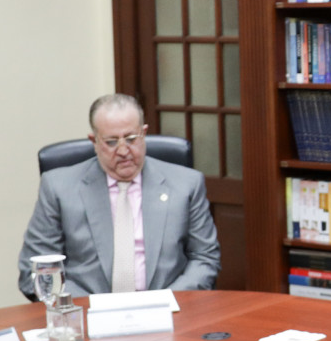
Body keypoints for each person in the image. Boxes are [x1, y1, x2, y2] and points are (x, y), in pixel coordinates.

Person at [17, 94, 219, 299]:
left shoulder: (186, 185)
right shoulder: (58, 188)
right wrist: (87, 307)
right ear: (94, 141)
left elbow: (205, 259)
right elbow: (37, 271)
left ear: (144, 133)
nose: (123, 151)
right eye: (112, 142)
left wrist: (164, 301)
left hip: (168, 308)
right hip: (85, 310)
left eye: (131, 139)